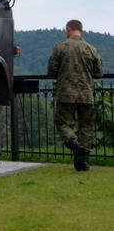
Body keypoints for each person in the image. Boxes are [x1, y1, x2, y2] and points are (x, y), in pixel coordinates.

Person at [47, 19, 103, 171]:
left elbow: (51, 71)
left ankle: (75, 145)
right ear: (81, 30)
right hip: (86, 93)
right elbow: (99, 72)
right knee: (87, 127)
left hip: (66, 93)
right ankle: (82, 162)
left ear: (68, 29)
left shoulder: (60, 47)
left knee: (63, 124)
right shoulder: (91, 49)